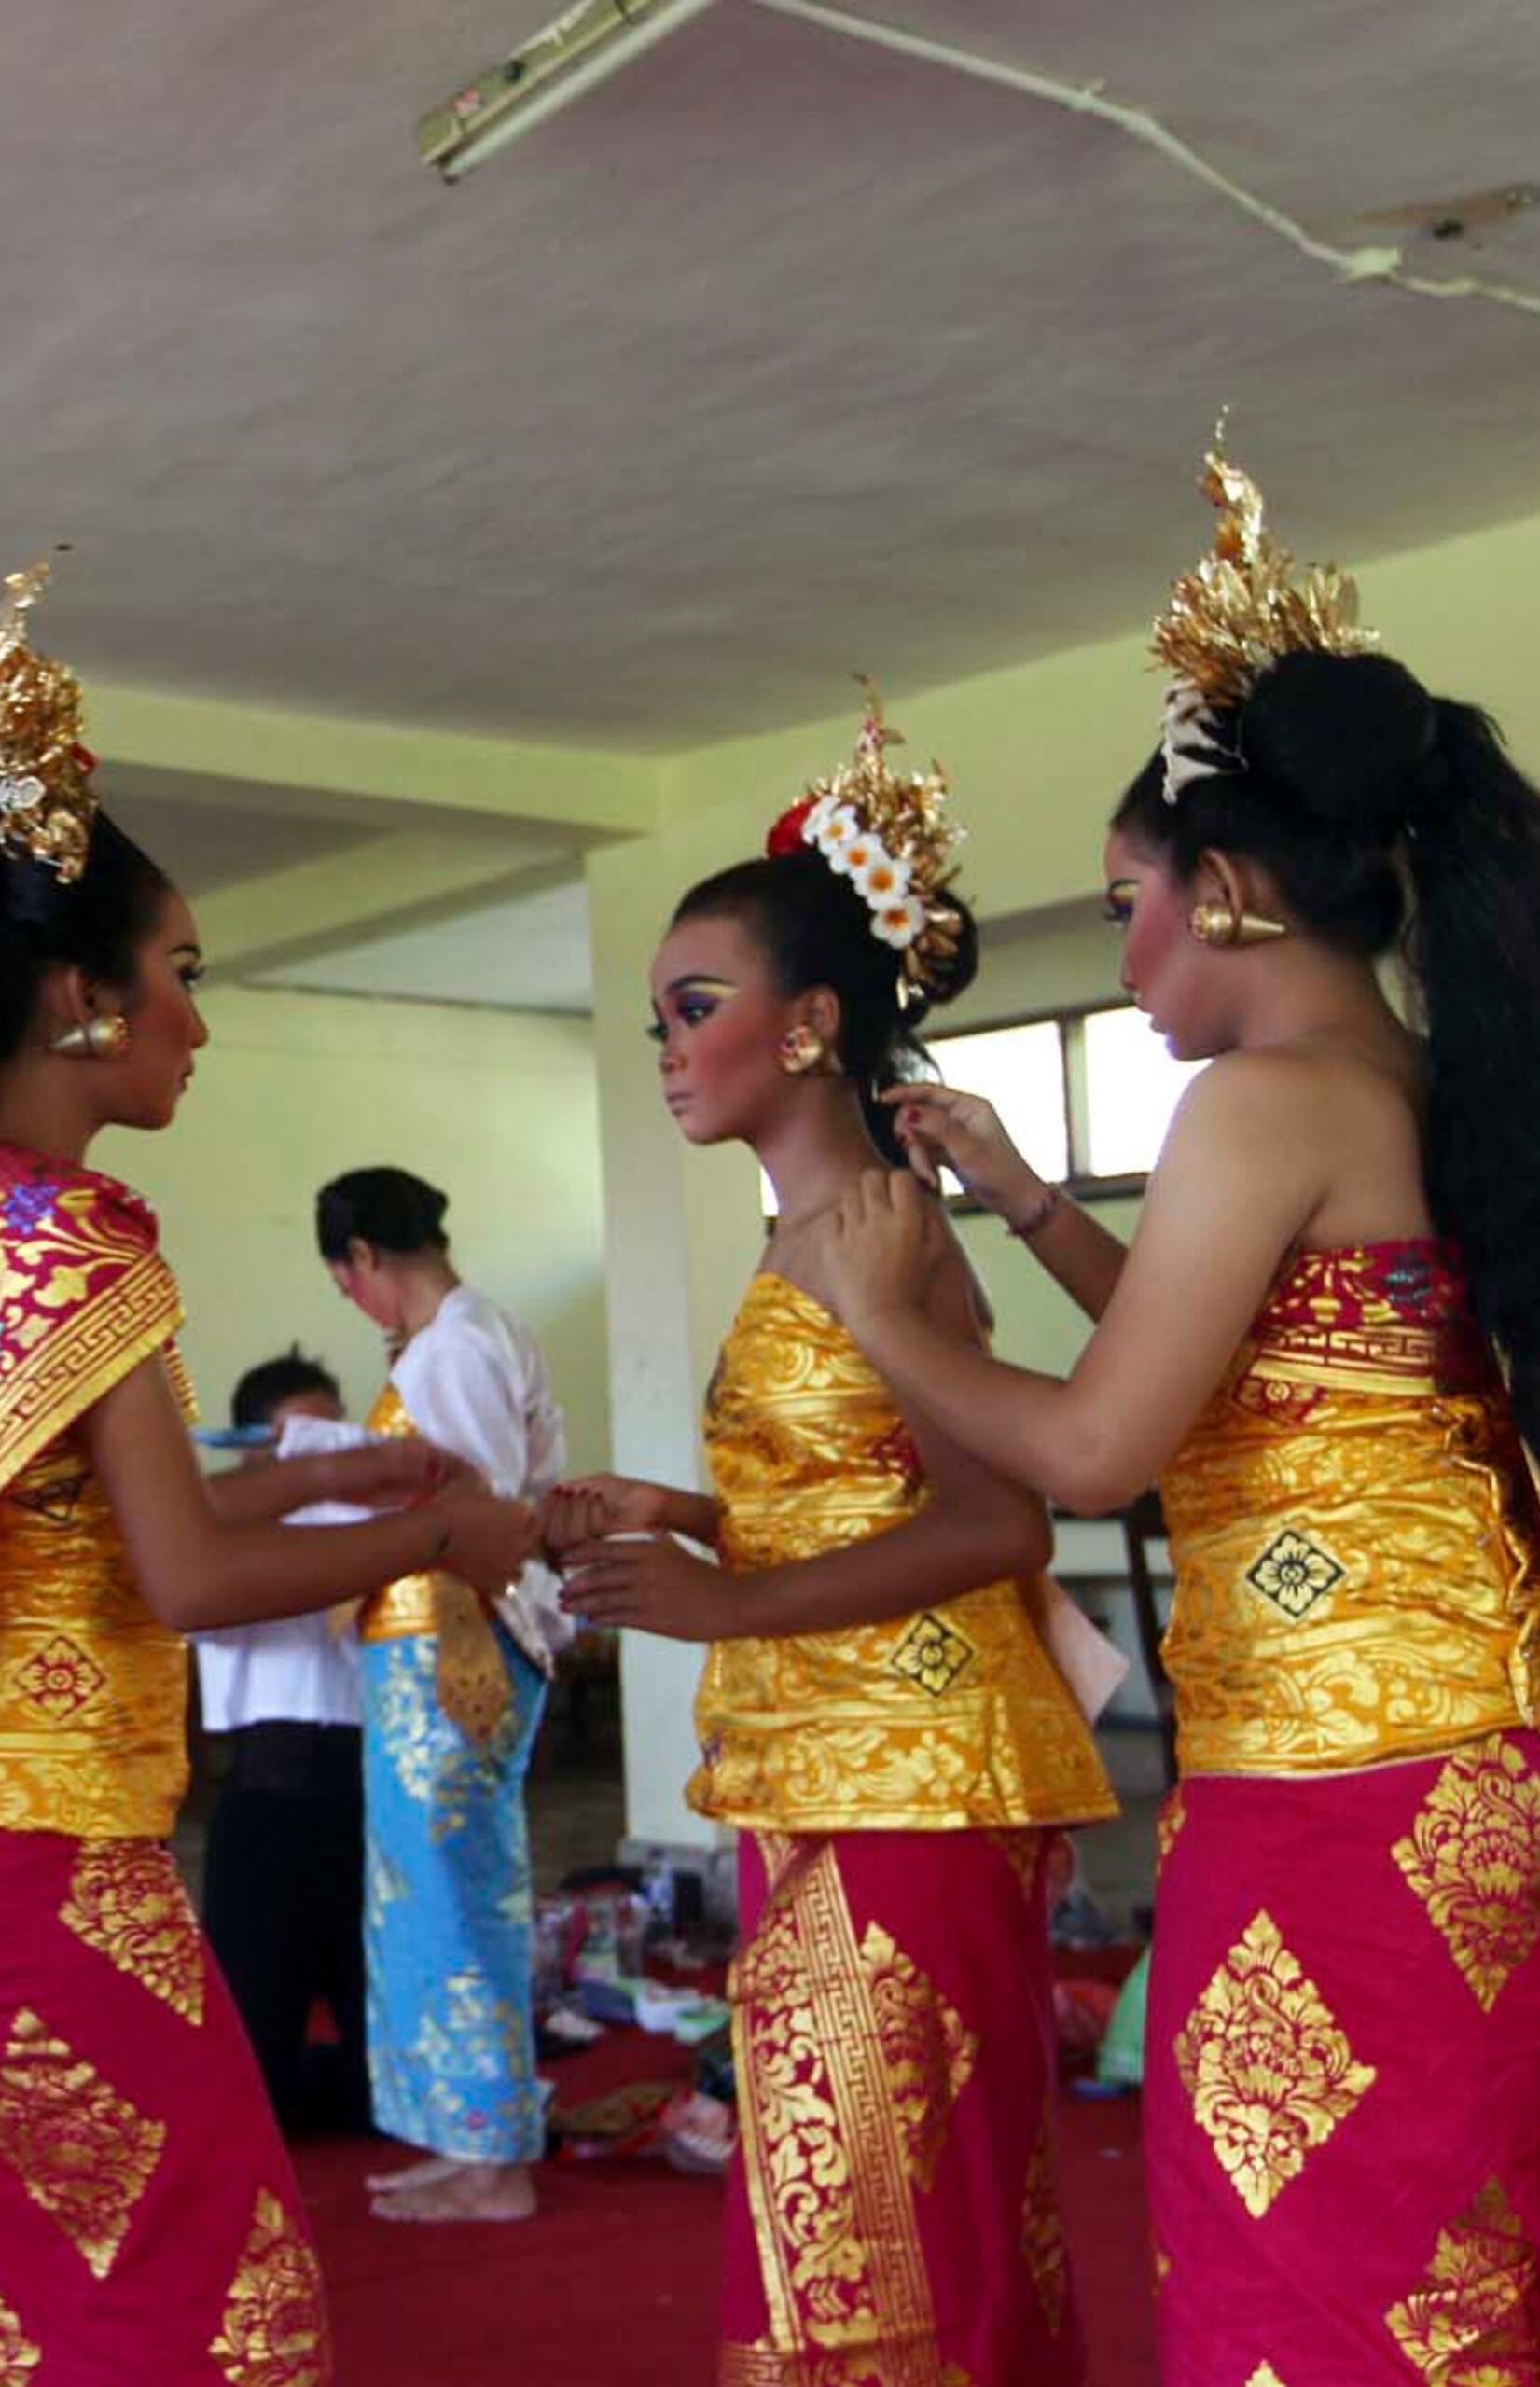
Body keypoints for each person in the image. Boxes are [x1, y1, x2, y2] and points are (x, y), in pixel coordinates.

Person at [810, 445, 1540, 2381]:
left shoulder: (1263, 1098)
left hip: (1338, 1783)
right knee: (1446, 2253)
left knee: (1315, 2274)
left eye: (1133, 899)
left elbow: (1094, 1450)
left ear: (1225, 886)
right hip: (1473, 1758)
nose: (1123, 952)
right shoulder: (1418, 1080)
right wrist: (1035, 1203)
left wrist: (887, 1304)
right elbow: (1255, 1388)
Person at [0, 562, 542, 2385]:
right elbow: (181, 1575)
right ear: (83, 995)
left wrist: (345, 1488)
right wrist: (436, 1526)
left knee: (21, 2293)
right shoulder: (83, 1233)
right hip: (50, 1855)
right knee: (194, 2304)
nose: (198, 1016)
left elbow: (117, 1519)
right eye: (182, 974)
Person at [548, 687, 1112, 2380]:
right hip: (827, 1766)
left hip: (913, 1775)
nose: (665, 1045)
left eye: (693, 1006)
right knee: (850, 2191)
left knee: (878, 2204)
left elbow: (996, 1514)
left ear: (806, 1023)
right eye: (657, 1012)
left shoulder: (878, 1225)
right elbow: (865, 1487)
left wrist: (733, 1598)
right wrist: (698, 1518)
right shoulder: (812, 1227)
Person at [311, 1165, 574, 2225]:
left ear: (365, 1257)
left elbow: (479, 1510)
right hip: (418, 1646)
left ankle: (494, 2152)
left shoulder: (458, 1345)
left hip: (452, 1642)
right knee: (421, 1894)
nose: (353, 1299)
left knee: (456, 1894)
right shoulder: (453, 1339)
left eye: (345, 1279)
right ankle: (457, 2134)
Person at [190, 1352, 375, 2138]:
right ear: (257, 1449)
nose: (323, 1458)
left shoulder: (375, 1523)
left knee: (387, 2080)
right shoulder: (213, 1534)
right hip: (269, 1801)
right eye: (302, 1441)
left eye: (333, 1436)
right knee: (252, 2085)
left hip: (369, 1796)